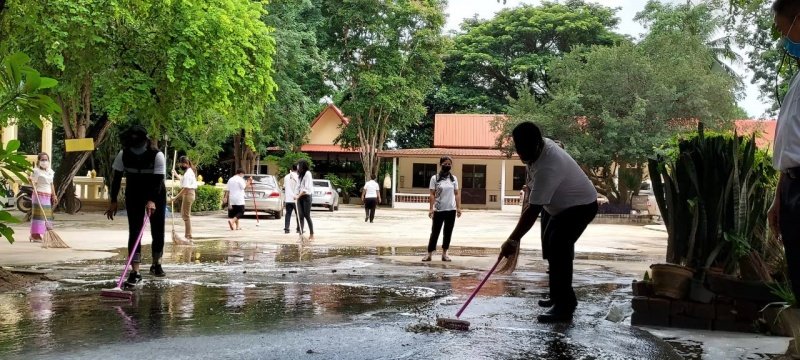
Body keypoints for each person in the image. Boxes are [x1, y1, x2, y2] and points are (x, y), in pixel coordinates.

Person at [498, 122, 598, 323]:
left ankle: (565, 307)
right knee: (551, 247)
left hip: (580, 207)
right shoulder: (538, 149)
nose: (521, 154)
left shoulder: (549, 165)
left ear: (536, 144)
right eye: (518, 149)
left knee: (559, 246)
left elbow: (533, 209)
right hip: (558, 208)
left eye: (525, 150)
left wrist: (512, 240)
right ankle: (557, 295)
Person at [105, 125, 168, 287]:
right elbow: (116, 179)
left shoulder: (157, 155)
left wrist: (152, 200)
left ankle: (156, 263)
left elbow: (159, 180)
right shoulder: (123, 154)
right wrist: (113, 201)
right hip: (134, 195)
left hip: (157, 194)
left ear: (145, 140)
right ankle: (135, 271)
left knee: (157, 229)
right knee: (135, 231)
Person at [770, 0, 800, 302]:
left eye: (785, 30)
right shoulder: (798, 79)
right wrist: (779, 197)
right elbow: (790, 146)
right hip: (792, 186)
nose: (784, 40)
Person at [422, 156, 462, 262]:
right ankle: (429, 254)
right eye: (445, 163)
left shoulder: (454, 179)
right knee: (435, 232)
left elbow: (457, 194)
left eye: (449, 164)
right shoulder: (435, 178)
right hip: (438, 210)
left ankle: (445, 254)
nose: (447, 165)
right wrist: (431, 209)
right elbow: (432, 194)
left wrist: (458, 208)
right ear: (441, 164)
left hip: (451, 210)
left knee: (448, 232)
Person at [29, 152, 57, 242]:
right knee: (38, 216)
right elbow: (33, 182)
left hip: (47, 196)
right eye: (42, 160)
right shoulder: (36, 171)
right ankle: (35, 235)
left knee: (47, 216)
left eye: (46, 160)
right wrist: (30, 180)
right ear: (39, 161)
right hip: (38, 195)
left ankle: (44, 234)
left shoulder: (50, 171)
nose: (44, 161)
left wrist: (54, 195)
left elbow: (51, 184)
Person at [171, 156, 197, 240]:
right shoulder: (188, 172)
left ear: (185, 163)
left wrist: (175, 197)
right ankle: (188, 235)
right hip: (189, 194)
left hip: (188, 194)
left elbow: (185, 188)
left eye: (181, 164)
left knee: (186, 216)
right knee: (184, 215)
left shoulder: (188, 173)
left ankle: (188, 235)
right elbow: (183, 180)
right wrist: (175, 175)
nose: (180, 165)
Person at [295, 160, 315, 240]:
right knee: (300, 215)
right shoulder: (300, 175)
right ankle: (300, 234)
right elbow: (298, 186)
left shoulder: (308, 174)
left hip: (306, 197)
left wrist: (298, 195)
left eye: (298, 165)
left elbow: (306, 188)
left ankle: (312, 234)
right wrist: (296, 195)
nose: (297, 167)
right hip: (300, 197)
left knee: (307, 215)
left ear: (302, 166)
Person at [283, 164, 300, 234]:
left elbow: (284, 186)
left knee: (288, 214)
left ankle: (287, 229)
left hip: (288, 199)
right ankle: (299, 228)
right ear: (298, 168)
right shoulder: (299, 177)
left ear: (292, 168)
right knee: (298, 214)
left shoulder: (286, 177)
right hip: (296, 199)